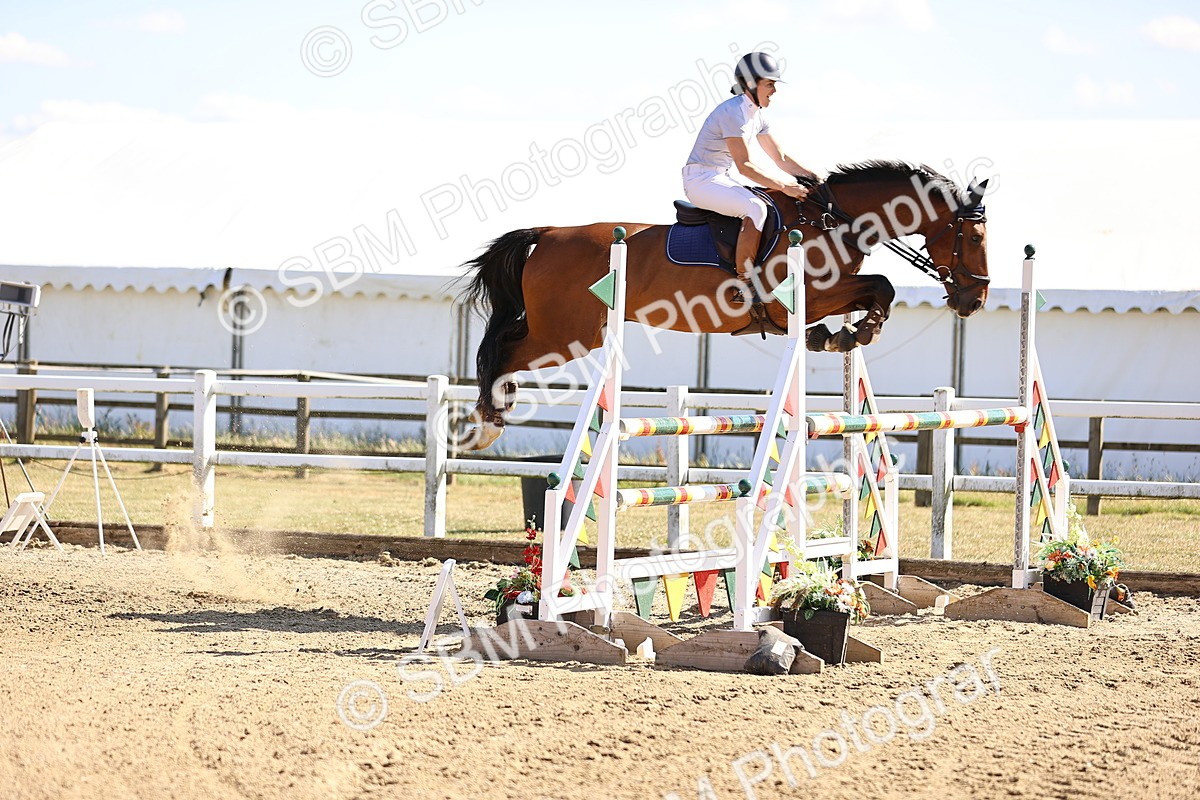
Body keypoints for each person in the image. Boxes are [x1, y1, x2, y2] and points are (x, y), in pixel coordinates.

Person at [682, 51, 816, 294]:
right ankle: (743, 282)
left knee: (772, 201)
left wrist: (815, 179)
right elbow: (745, 166)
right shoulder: (733, 113)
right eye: (770, 84)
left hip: (719, 177)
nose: (774, 90)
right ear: (751, 84)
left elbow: (781, 158)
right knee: (756, 207)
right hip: (700, 180)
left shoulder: (758, 115)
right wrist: (785, 186)